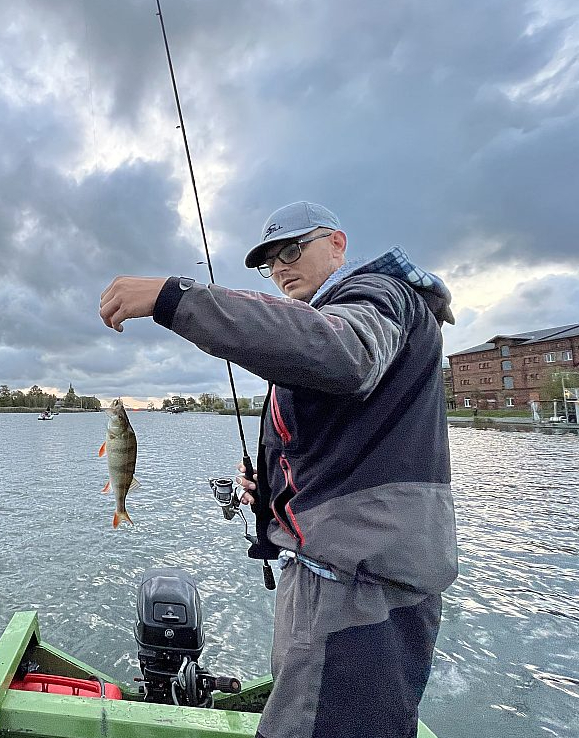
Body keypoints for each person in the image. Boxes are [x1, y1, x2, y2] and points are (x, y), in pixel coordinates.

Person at [99, 201, 458, 738]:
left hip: (359, 583)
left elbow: (344, 353)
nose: (281, 267)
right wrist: (271, 490)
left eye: (292, 249)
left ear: (337, 243)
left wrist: (175, 298)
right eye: (270, 261)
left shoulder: (379, 295)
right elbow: (341, 445)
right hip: (333, 574)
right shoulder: (337, 312)